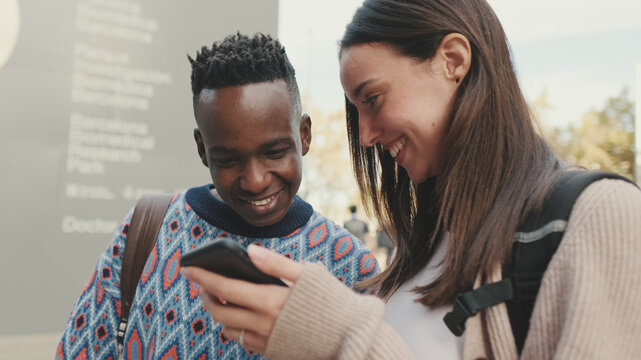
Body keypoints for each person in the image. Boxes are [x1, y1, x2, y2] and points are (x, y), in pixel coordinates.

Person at [181, 1, 641, 359]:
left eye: (373, 99)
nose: (364, 136)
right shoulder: (421, 250)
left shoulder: (600, 217)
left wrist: (339, 334)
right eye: (355, 112)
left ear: (453, 60)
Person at [56, 33, 379, 360]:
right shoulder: (148, 229)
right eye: (228, 159)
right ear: (202, 149)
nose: (255, 181)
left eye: (275, 152)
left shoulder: (350, 265)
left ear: (304, 134)